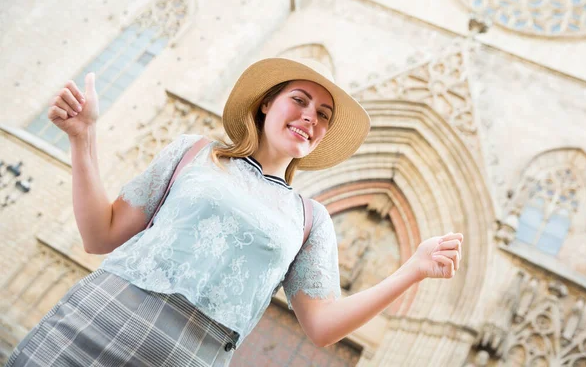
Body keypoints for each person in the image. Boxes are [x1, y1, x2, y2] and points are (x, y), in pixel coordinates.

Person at [6, 57, 463, 367]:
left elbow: (322, 327)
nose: (310, 117)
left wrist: (413, 269)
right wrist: (82, 138)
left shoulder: (310, 220)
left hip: (189, 356)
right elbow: (99, 236)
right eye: (299, 101)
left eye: (323, 114)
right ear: (266, 104)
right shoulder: (194, 152)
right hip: (96, 318)